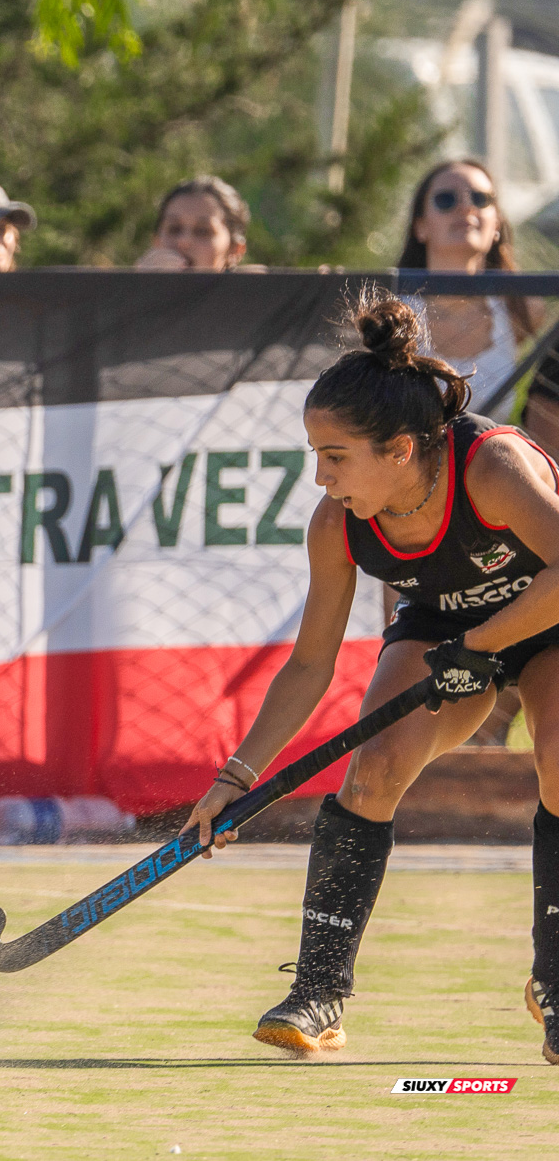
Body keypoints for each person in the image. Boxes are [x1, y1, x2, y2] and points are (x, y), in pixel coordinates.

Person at [181, 291, 559, 1065]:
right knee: (373, 772)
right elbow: (311, 663)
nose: (320, 479)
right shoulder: (339, 523)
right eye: (315, 456)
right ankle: (319, 993)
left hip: (548, 617)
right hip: (444, 630)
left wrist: (485, 644)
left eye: (334, 456)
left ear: (400, 450)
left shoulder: (491, 468)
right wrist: (235, 779)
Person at [398, 159, 539, 421]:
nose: (465, 207)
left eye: (480, 198)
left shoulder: (523, 310)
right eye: (446, 199)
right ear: (420, 226)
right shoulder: (391, 314)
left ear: (496, 224)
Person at [134, 176, 251, 272]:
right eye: (174, 229)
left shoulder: (252, 299)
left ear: (235, 250)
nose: (183, 242)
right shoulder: (129, 295)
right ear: (156, 242)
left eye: (202, 231)